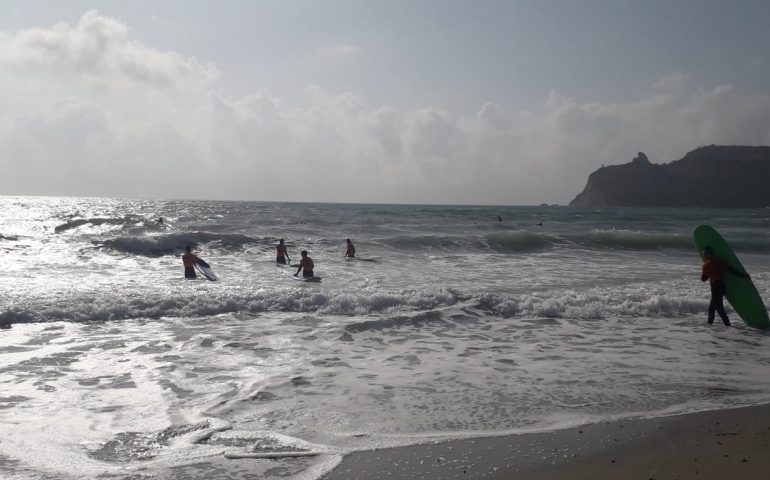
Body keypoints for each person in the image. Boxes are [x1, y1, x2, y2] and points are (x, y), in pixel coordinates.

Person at [700, 246, 749, 326]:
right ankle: (711, 326)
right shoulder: (722, 262)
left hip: (715, 288)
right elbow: (732, 271)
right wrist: (743, 275)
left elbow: (703, 279)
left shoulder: (706, 266)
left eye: (704, 254)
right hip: (722, 287)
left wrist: (706, 271)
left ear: (707, 254)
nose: (704, 256)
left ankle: (726, 327)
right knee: (713, 309)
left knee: (718, 310)